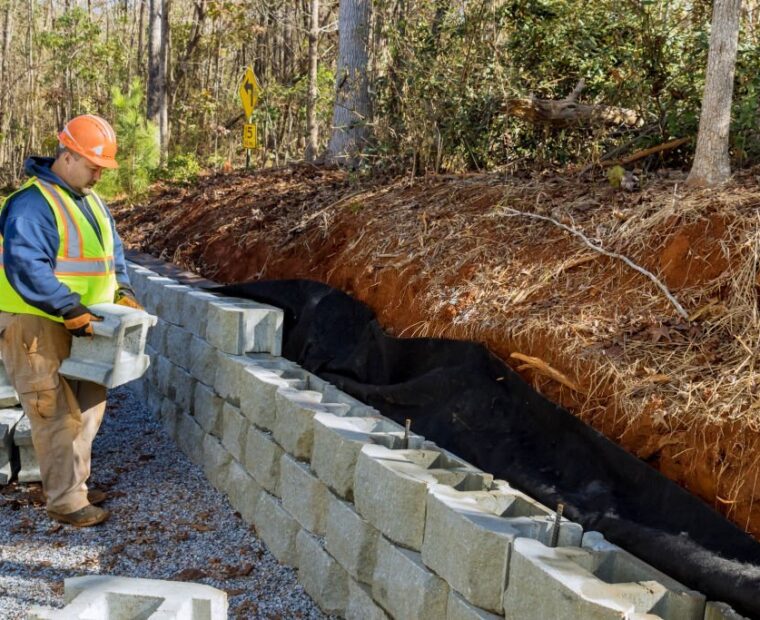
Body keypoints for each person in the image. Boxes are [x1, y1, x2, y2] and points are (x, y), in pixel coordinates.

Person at [0, 114, 141, 527]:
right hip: (37, 322)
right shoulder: (30, 204)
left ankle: (73, 485)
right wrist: (69, 308)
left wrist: (124, 292)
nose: (99, 175)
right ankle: (65, 502)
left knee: (89, 406)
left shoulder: (91, 201)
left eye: (102, 168)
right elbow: (27, 268)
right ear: (66, 156)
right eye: (94, 166)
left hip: (87, 322)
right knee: (53, 412)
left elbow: (112, 257)